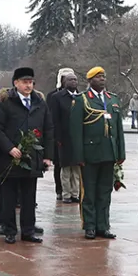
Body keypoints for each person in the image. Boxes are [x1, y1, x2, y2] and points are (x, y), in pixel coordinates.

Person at [0, 67, 54, 244]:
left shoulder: (39, 102)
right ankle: (10, 230)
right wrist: (9, 148)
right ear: (16, 83)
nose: (28, 85)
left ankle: (28, 230)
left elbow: (48, 129)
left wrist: (47, 155)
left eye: (30, 82)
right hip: (10, 157)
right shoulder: (4, 101)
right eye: (24, 82)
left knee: (29, 197)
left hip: (32, 157)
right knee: (9, 196)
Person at [70, 66, 125, 240]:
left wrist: (120, 153)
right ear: (90, 80)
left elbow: (118, 130)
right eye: (98, 77)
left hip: (109, 153)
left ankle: (103, 225)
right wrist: (79, 156)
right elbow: (75, 131)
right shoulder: (82, 100)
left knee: (104, 191)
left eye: (104, 76)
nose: (102, 79)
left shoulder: (112, 99)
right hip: (90, 153)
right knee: (89, 192)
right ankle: (90, 225)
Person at [48, 68, 80, 203]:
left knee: (76, 169)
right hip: (62, 139)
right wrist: (57, 138)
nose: (73, 82)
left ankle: (75, 193)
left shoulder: (81, 97)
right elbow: (54, 119)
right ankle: (64, 193)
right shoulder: (55, 97)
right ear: (63, 81)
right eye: (69, 79)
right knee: (64, 168)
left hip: (77, 139)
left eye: (75, 79)